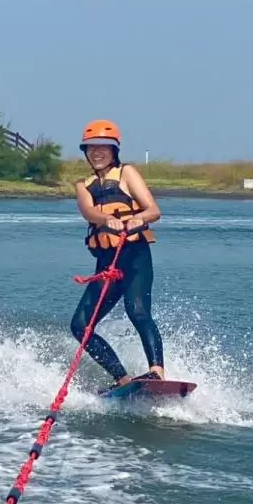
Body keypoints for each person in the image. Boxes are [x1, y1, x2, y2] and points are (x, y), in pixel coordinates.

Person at [70, 119, 165, 393]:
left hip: (135, 257)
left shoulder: (127, 173)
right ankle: (121, 379)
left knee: (137, 311)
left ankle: (157, 372)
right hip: (107, 264)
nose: (97, 152)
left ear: (114, 151)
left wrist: (137, 219)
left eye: (103, 147)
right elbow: (89, 212)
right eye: (91, 148)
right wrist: (105, 219)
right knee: (80, 326)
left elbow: (153, 210)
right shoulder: (83, 185)